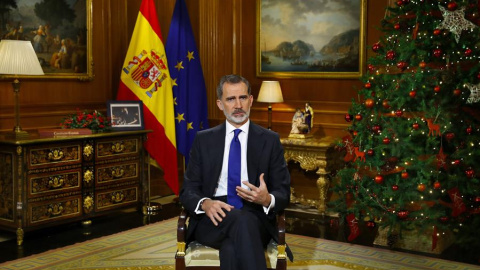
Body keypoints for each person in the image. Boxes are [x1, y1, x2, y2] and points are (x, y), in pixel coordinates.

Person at [179, 74, 293, 270]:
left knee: (232, 246)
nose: (237, 104)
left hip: (254, 214)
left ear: (250, 100)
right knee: (241, 226)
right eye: (230, 99)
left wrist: (266, 199)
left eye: (242, 98)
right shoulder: (204, 140)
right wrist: (205, 203)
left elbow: (283, 192)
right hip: (213, 217)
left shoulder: (269, 140)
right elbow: (188, 189)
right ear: (220, 104)